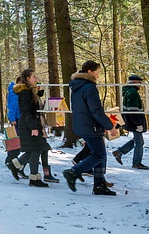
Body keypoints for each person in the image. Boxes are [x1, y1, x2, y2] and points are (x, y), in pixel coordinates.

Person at [63, 60, 118, 196]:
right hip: (91, 126)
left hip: (82, 125)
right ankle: (74, 172)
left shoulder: (77, 86)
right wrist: (109, 126)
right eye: (97, 73)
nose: (98, 76)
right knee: (99, 155)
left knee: (99, 155)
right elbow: (96, 111)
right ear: (89, 72)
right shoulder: (89, 88)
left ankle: (99, 185)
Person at [9, 69, 50, 187]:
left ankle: (18, 166)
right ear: (27, 79)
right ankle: (33, 177)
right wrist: (33, 127)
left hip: (32, 124)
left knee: (35, 149)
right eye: (34, 77)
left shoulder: (29, 92)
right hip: (28, 125)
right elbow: (26, 112)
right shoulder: (25, 93)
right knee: (36, 149)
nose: (36, 79)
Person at [113, 75, 149, 170]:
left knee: (137, 141)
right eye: (139, 82)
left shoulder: (128, 92)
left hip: (130, 120)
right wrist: (138, 124)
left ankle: (119, 152)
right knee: (139, 142)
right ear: (134, 82)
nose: (140, 84)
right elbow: (133, 111)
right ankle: (137, 163)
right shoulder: (133, 93)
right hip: (134, 122)